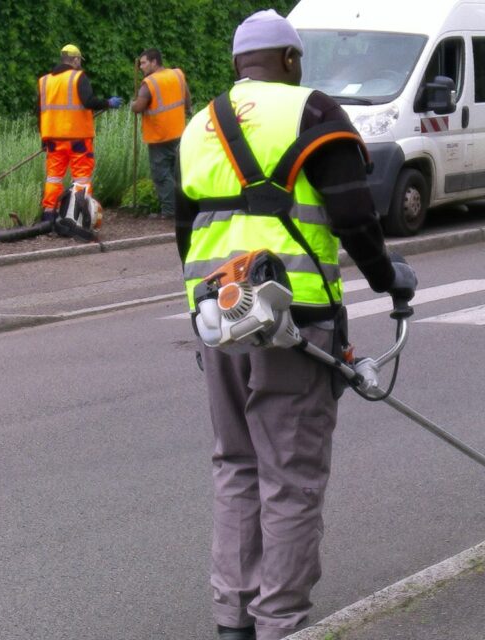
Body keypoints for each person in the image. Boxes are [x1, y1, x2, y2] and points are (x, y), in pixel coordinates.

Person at [174, 9, 417, 640]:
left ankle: (234, 622)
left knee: (235, 464)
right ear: (289, 59)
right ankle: (279, 624)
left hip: (220, 318)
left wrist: (201, 317)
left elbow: (185, 230)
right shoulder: (312, 112)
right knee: (291, 478)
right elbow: (355, 216)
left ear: (236, 66)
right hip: (294, 323)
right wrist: (390, 280)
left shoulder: (199, 125)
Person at [37, 44, 122, 222]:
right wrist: (108, 103)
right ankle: (78, 216)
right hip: (78, 139)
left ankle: (48, 215)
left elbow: (41, 111)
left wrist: (43, 139)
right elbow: (88, 101)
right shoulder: (78, 77)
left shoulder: (45, 81)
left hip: (53, 138)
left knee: (53, 177)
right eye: (79, 60)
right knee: (81, 178)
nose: (80, 64)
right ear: (75, 59)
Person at [131, 48, 191, 219]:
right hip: (179, 132)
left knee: (162, 175)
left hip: (160, 137)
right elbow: (187, 97)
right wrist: (187, 111)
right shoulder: (177, 74)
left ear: (154, 62)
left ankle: (170, 211)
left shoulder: (149, 83)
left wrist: (132, 105)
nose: (141, 67)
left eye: (144, 63)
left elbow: (139, 107)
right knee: (178, 172)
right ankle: (183, 208)